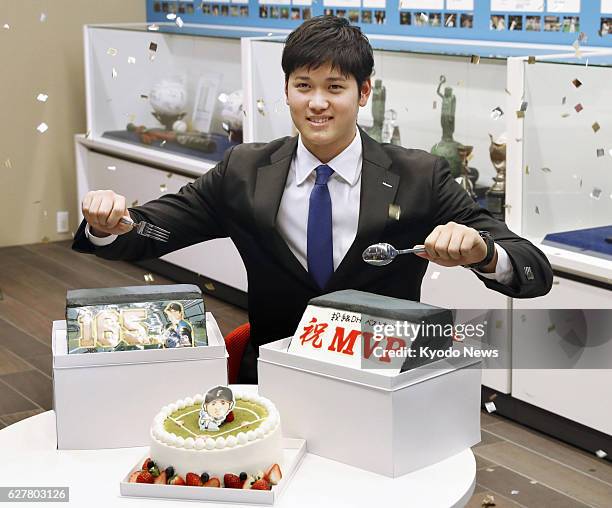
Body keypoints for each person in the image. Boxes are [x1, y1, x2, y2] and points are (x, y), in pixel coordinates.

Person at [73, 16, 553, 383]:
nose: (317, 103)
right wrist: (110, 222)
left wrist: (485, 254)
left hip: (381, 379)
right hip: (272, 380)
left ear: (363, 92)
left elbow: (532, 269)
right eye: (303, 86)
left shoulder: (418, 177)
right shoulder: (243, 171)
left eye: (335, 88)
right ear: (286, 91)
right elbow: (154, 230)